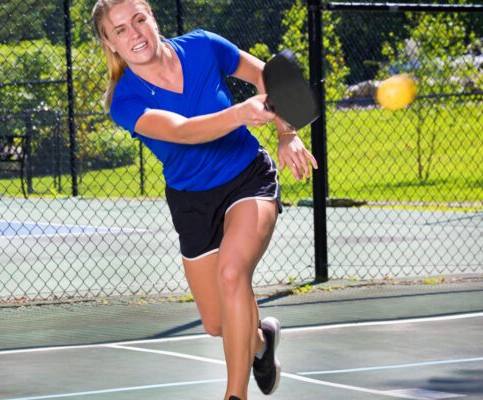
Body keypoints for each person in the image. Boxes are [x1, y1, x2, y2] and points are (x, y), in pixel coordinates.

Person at [91, 1, 317, 399]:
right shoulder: (124, 101)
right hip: (192, 202)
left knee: (233, 274)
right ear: (110, 44)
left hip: (247, 178)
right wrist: (240, 113)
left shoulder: (203, 46)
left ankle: (235, 394)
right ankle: (261, 344)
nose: (135, 33)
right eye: (121, 30)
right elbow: (183, 131)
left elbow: (266, 73)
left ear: (153, 18)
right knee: (217, 323)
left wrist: (286, 131)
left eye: (139, 20)